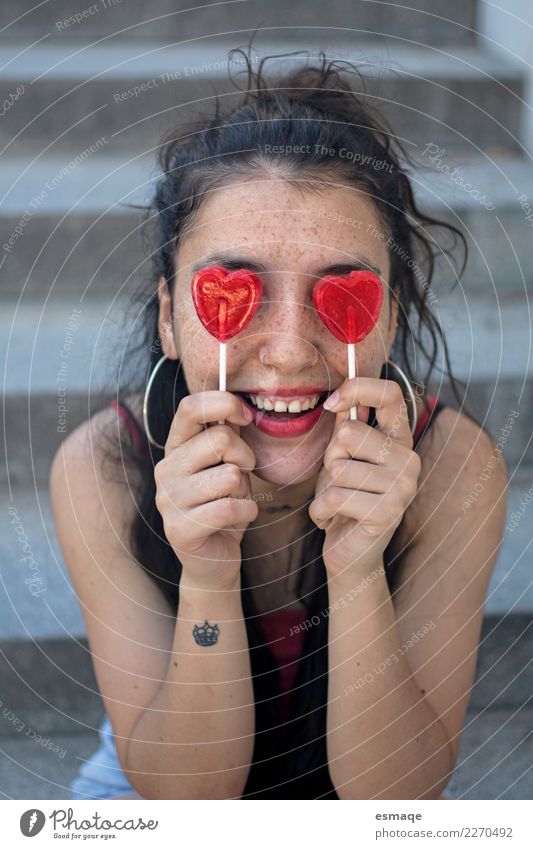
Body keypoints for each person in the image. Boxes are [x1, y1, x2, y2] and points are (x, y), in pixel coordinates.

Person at [50, 48, 507, 800]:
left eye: (342, 293)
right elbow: (185, 795)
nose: (290, 349)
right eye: (236, 291)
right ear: (169, 318)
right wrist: (205, 575)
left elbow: (395, 798)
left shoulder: (453, 468)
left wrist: (358, 570)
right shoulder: (103, 467)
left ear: (388, 320)